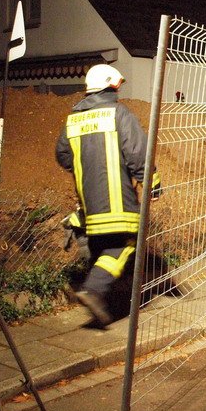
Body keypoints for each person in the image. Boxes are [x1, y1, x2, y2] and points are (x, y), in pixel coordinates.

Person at [56, 63, 160, 328]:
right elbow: (138, 155)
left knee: (102, 247)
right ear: (112, 85)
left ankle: (103, 298)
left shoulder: (73, 119)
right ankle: (93, 290)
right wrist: (153, 184)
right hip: (118, 200)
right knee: (124, 244)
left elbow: (63, 156)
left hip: (88, 204)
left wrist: (86, 166)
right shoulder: (119, 114)